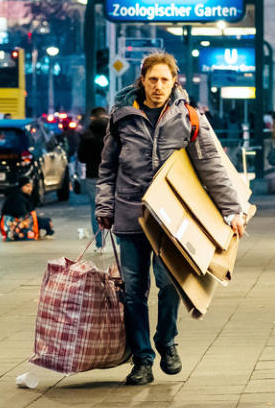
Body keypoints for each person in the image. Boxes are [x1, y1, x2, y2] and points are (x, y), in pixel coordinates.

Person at [96, 52, 246, 386]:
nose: (158, 86)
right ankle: (142, 359)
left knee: (169, 284)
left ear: (174, 81)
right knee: (134, 291)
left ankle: (167, 339)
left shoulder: (189, 117)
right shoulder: (121, 117)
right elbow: (107, 169)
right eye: (152, 79)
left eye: (165, 80)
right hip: (130, 217)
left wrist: (231, 209)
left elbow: (211, 166)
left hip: (171, 221)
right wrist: (104, 207)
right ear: (142, 80)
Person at [77, 106, 108, 248]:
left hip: (93, 175)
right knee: (118, 207)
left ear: (92, 117)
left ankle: (100, 243)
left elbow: (81, 158)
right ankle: (120, 241)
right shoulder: (113, 132)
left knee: (95, 209)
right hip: (112, 175)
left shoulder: (86, 135)